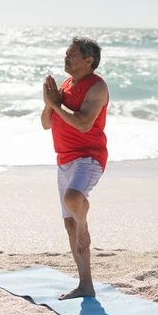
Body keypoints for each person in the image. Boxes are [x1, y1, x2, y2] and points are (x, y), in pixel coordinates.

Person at [40, 36, 109, 300]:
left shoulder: (97, 87)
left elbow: (83, 124)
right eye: (65, 54)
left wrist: (56, 104)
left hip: (89, 157)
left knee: (73, 200)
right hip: (64, 159)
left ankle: (83, 217)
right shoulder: (66, 85)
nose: (65, 58)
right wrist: (49, 103)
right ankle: (85, 285)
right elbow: (47, 123)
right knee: (69, 224)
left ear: (88, 61)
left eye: (72, 55)